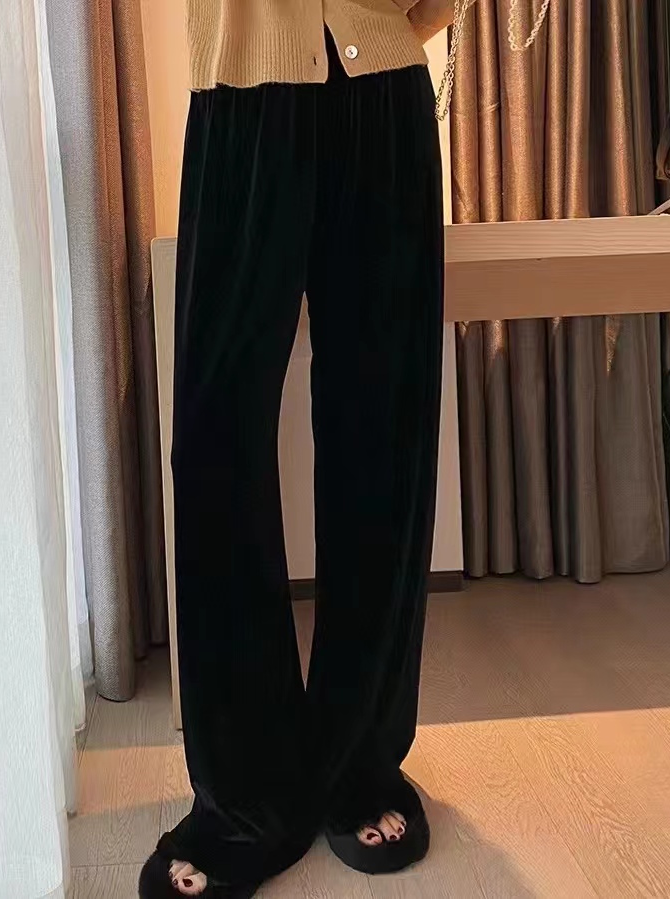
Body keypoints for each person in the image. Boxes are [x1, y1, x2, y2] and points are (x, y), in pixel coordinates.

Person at [140, 2, 458, 896]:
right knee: (215, 445)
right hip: (242, 88)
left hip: (381, 89)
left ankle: (359, 755)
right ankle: (243, 788)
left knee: (382, 433)